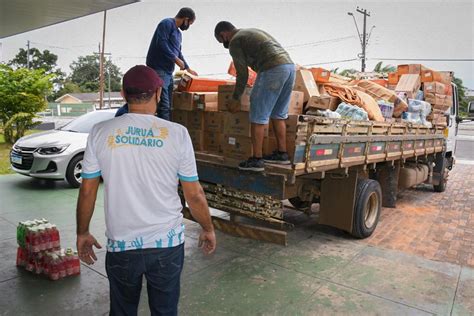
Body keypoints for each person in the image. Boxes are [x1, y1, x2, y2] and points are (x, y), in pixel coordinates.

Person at [76, 65, 216, 316]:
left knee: (122, 310)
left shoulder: (100, 132)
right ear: (159, 93)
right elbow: (194, 195)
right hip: (167, 244)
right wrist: (207, 228)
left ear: (123, 93)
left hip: (122, 246)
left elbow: (87, 192)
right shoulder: (177, 134)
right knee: (164, 310)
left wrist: (83, 232)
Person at [214, 21, 296, 172]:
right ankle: (282, 154)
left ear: (223, 34)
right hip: (289, 68)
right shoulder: (250, 31)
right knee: (278, 114)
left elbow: (242, 73)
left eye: (221, 41)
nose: (223, 44)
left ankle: (257, 159)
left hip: (272, 69)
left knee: (257, 114)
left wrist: (235, 97)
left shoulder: (235, 41)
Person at [143, 7, 198, 121]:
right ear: (186, 19)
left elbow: (178, 53)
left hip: (168, 72)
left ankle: (167, 128)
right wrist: (175, 59)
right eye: (190, 23)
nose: (188, 27)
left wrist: (187, 68)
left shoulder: (178, 34)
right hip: (159, 69)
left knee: (169, 106)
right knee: (164, 106)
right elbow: (161, 43)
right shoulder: (167, 23)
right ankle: (165, 134)